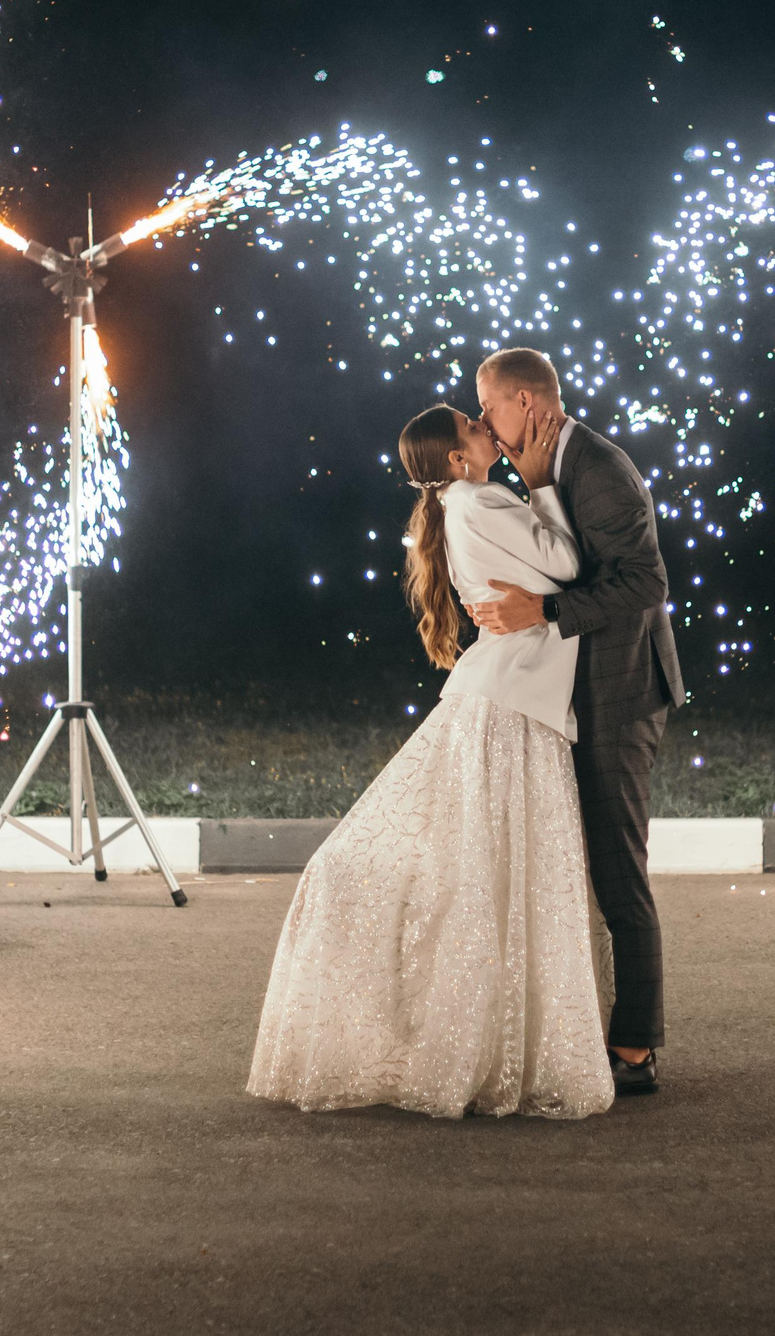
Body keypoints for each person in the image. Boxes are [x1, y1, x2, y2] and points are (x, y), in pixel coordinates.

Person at [247, 403, 615, 1120]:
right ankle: (481, 1043)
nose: (485, 425)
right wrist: (540, 483)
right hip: (511, 708)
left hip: (506, 700)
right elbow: (569, 563)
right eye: (471, 427)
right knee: (497, 876)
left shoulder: (462, 502)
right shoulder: (483, 497)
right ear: (455, 458)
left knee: (485, 876)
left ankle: (479, 1037)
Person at [468, 347, 684, 1096]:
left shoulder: (597, 465)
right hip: (582, 690)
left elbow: (646, 580)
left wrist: (545, 610)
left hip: (621, 691)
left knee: (618, 869)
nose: (484, 425)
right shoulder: (547, 465)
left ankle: (635, 1048)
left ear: (528, 403)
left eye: (489, 407)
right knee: (591, 865)